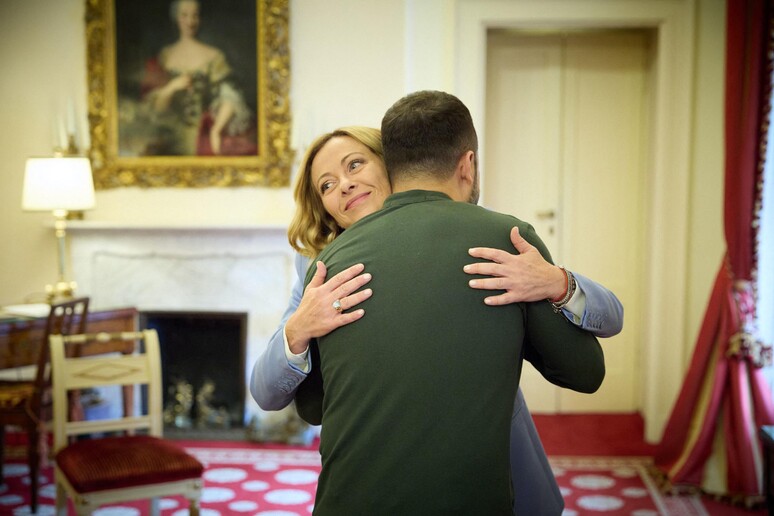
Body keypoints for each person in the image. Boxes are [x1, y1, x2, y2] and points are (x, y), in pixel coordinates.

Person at [249, 126, 623, 515]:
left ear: (392, 166)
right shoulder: (318, 266)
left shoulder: (482, 235)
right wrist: (298, 329)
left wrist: (558, 282)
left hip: (488, 465)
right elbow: (267, 392)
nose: (344, 185)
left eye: (355, 165)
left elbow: (609, 320)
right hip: (370, 471)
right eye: (327, 185)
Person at [138, 0, 255, 156]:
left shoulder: (214, 56)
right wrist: (172, 87)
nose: (190, 22)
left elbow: (231, 97)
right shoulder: (164, 56)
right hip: (170, 137)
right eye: (184, 15)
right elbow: (155, 109)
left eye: (194, 16)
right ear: (176, 18)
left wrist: (216, 129)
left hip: (204, 135)